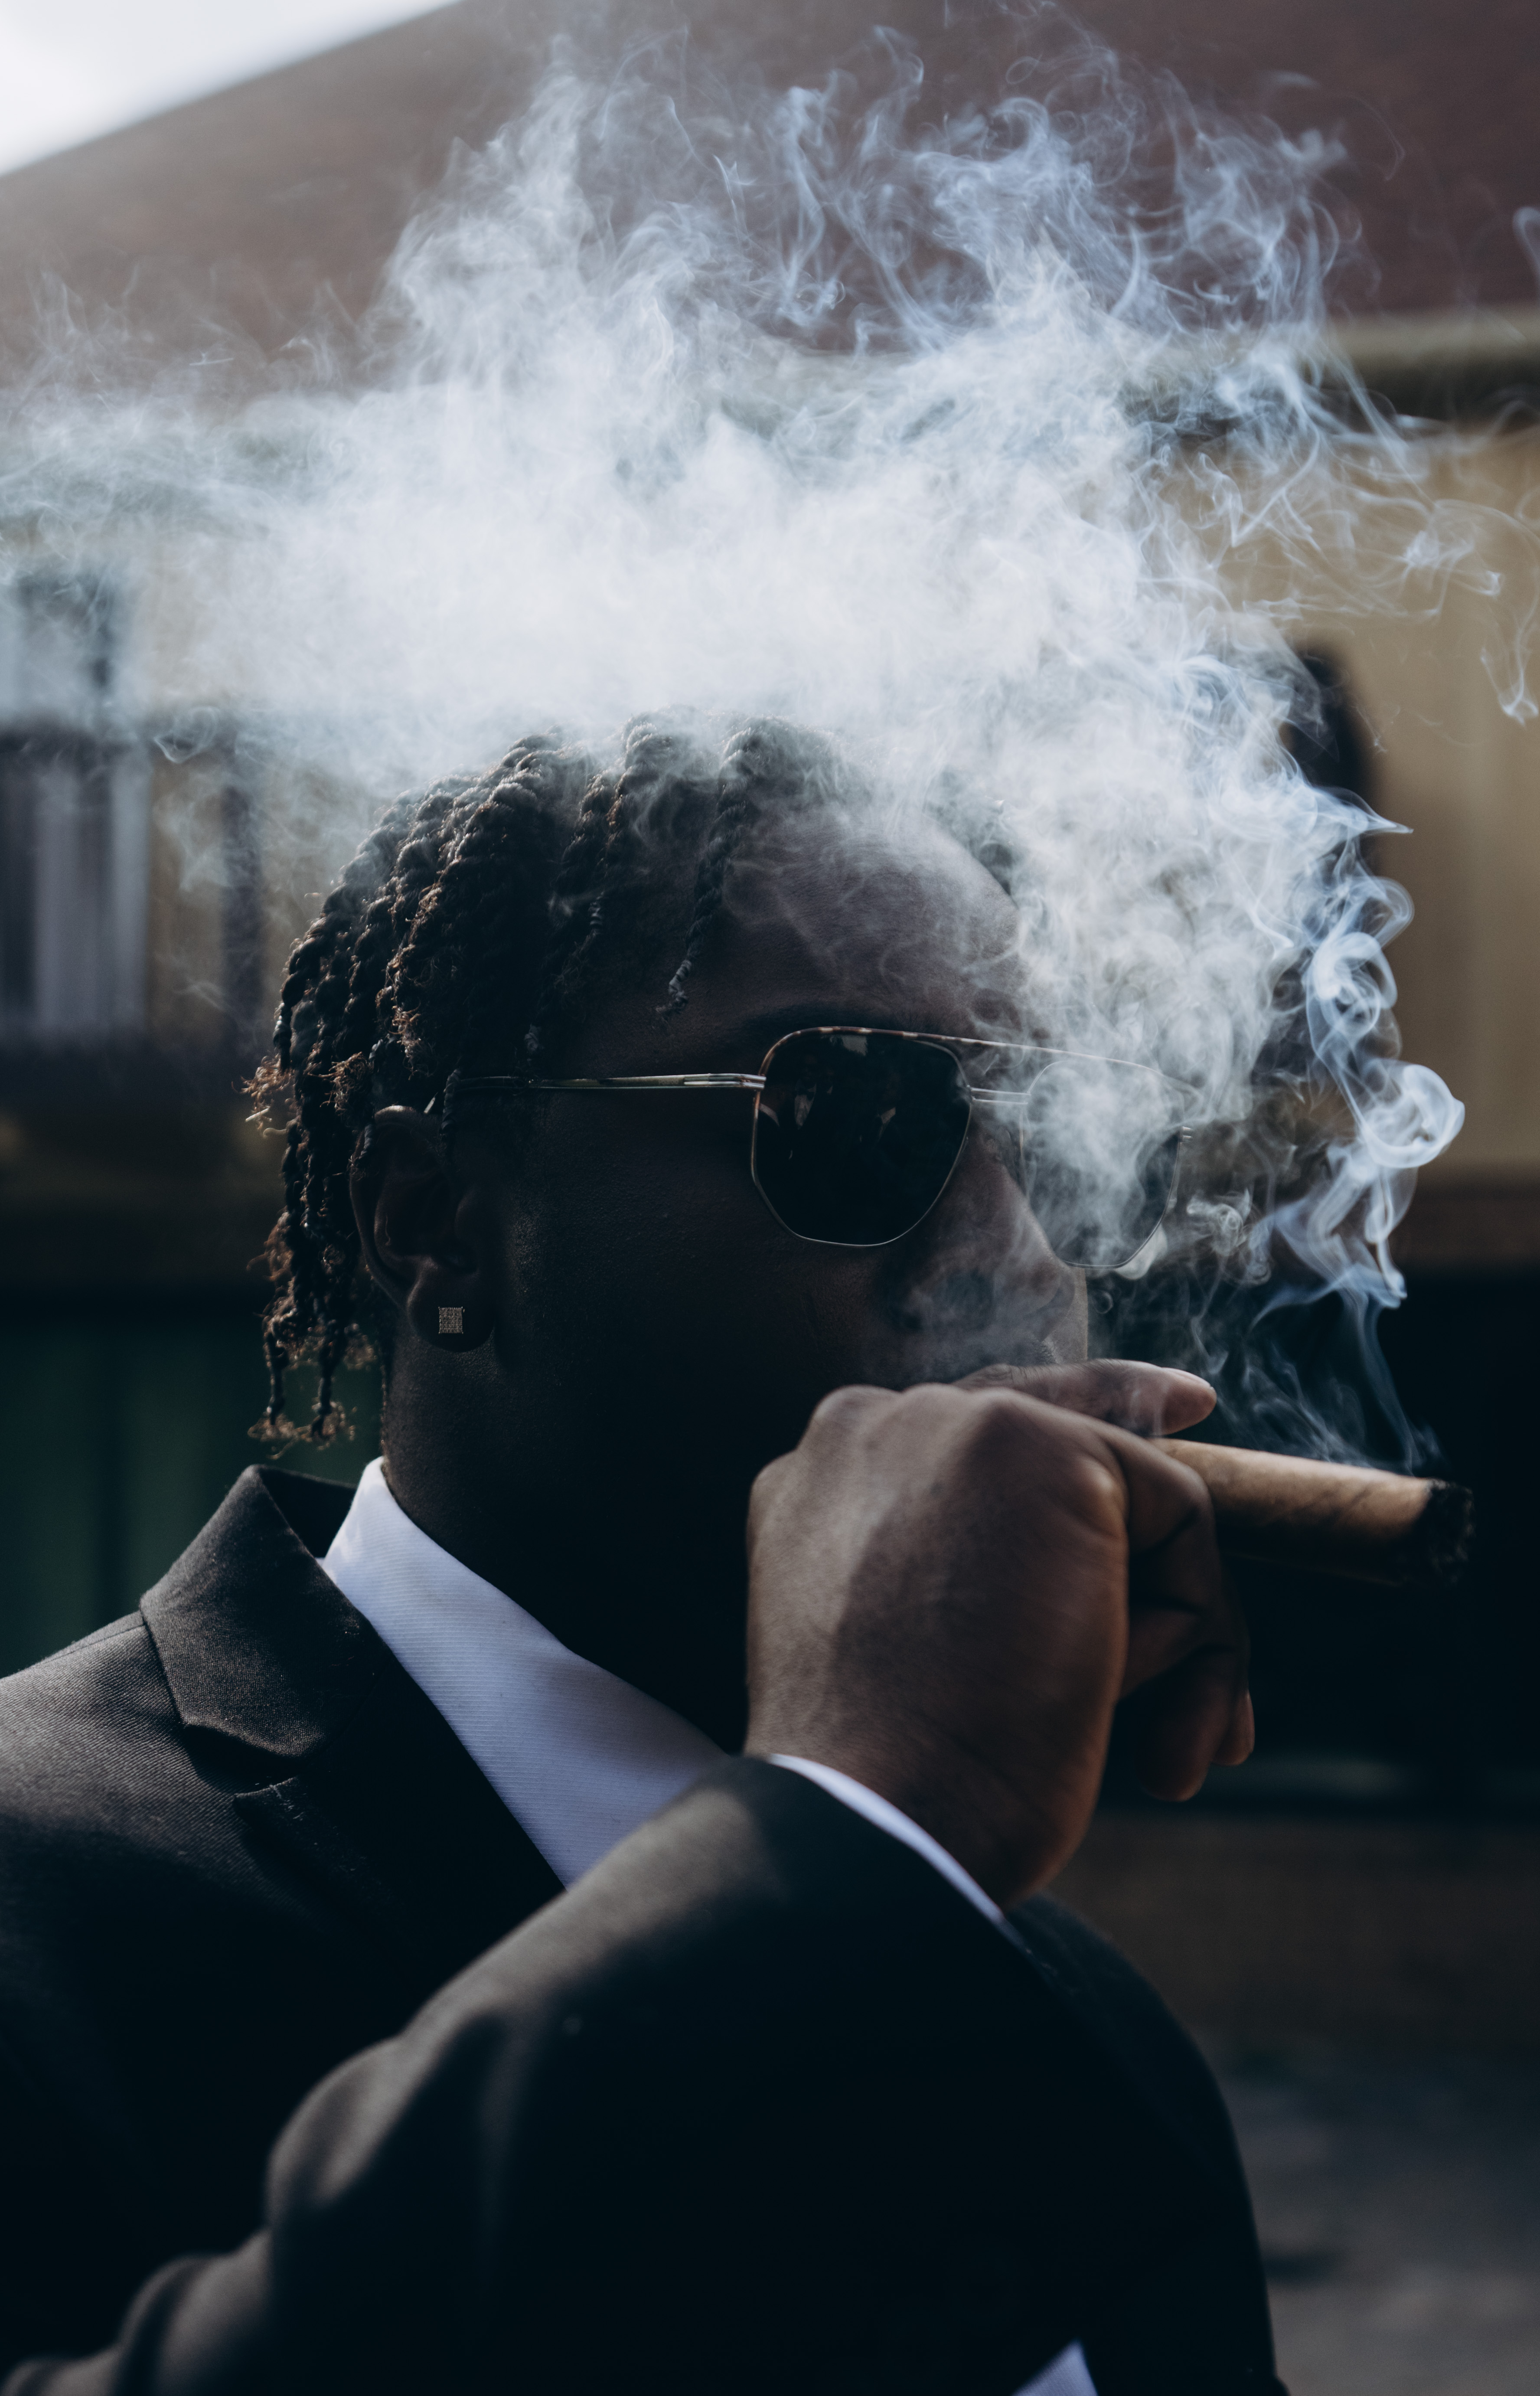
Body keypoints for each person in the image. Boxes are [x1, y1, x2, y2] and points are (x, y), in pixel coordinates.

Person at [0, 719, 1274, 2395]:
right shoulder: (38, 1896)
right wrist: (843, 1839)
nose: (1008, 1247)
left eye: (1045, 1134)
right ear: (434, 1218)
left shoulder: (1060, 2005)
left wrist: (883, 1846)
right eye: (850, 1111)